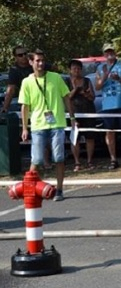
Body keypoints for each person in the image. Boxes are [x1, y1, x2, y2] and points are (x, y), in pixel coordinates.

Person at [18, 49, 75, 201]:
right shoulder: (27, 82)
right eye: (37, 61)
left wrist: (72, 117)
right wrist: (24, 127)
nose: (41, 63)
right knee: (36, 160)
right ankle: (29, 190)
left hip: (56, 123)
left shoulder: (55, 77)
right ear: (31, 62)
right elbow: (25, 106)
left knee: (59, 158)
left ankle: (60, 190)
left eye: (42, 60)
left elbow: (66, 97)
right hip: (38, 125)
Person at [95, 42, 121, 170]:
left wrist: (118, 78)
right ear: (103, 54)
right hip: (108, 106)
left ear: (115, 52)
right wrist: (105, 75)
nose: (109, 54)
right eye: (107, 52)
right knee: (110, 132)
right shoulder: (100, 68)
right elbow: (97, 86)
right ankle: (113, 159)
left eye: (111, 51)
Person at [65, 59, 98, 171]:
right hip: (73, 113)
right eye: (74, 68)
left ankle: (90, 161)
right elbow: (67, 97)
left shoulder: (87, 80)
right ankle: (77, 162)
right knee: (75, 138)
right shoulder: (66, 81)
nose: (77, 71)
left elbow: (93, 97)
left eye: (79, 68)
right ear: (70, 70)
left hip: (88, 111)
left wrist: (86, 94)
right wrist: (75, 89)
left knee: (90, 137)